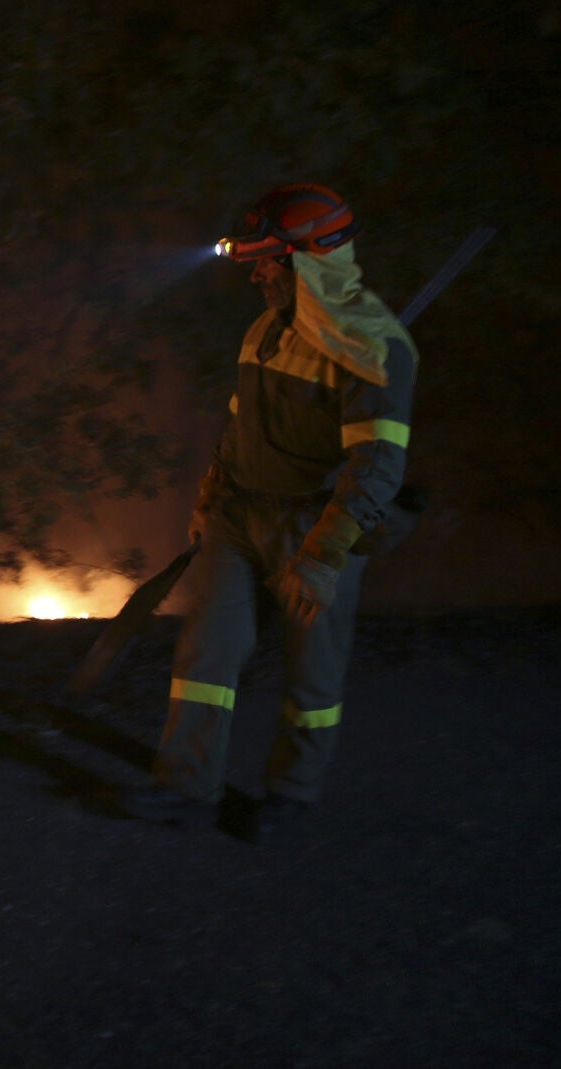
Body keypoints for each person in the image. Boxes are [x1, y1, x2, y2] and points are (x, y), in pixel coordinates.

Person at [120, 184, 418, 840]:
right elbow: (239, 425)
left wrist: (325, 553)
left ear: (315, 262)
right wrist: (209, 498)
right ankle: (184, 786)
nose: (258, 274)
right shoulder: (263, 330)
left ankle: (292, 795)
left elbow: (377, 466)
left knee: (314, 672)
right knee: (206, 657)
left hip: (316, 527)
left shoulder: (376, 347)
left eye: (272, 262)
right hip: (239, 519)